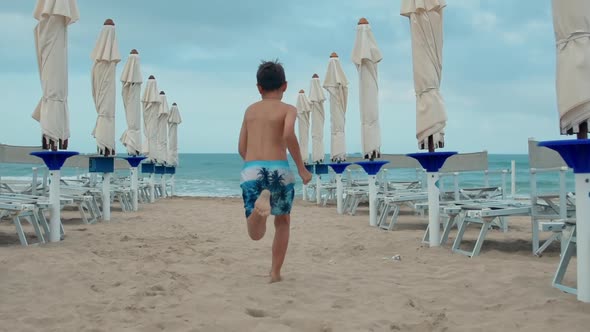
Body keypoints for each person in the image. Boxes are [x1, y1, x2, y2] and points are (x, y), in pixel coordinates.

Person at [238, 60, 312, 283]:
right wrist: (301, 168)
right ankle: (275, 272)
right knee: (282, 222)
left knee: (255, 234)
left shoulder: (250, 110)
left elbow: (241, 148)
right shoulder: (288, 109)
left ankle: (257, 213)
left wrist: (253, 162)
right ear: (285, 86)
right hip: (279, 170)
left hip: (252, 169)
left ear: (259, 87)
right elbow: (288, 134)